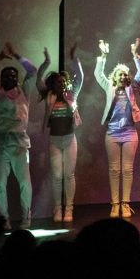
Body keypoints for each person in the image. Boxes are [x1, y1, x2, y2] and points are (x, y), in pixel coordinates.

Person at [0, 43, 38, 229]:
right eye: (7, 76)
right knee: (0, 184)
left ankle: (26, 218)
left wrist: (16, 55)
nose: (11, 78)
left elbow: (33, 71)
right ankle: (4, 219)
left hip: (19, 144)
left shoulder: (24, 91)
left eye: (14, 76)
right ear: (1, 79)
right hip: (0, 145)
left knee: (25, 182)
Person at [95, 38, 140, 219]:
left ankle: (125, 204)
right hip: (112, 133)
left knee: (127, 170)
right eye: (120, 74)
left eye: (125, 74)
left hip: (130, 132)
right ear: (115, 77)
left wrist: (135, 54)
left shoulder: (132, 87)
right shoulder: (109, 87)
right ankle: (115, 204)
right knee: (114, 170)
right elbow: (98, 74)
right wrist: (103, 56)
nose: (123, 77)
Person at [37, 44, 83, 223]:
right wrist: (46, 62)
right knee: (57, 176)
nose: (61, 84)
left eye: (63, 82)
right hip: (55, 140)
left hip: (70, 139)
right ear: (54, 84)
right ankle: (58, 208)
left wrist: (74, 57)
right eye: (58, 82)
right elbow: (38, 79)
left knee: (69, 175)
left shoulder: (71, 95)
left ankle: (69, 208)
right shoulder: (49, 96)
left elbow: (80, 77)